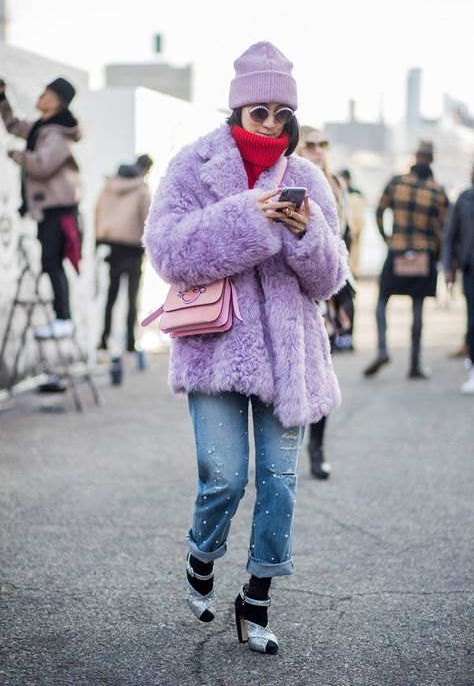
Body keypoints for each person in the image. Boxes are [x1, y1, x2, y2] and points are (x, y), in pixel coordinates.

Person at [143, 41, 347, 654]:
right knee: (225, 478)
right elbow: (168, 253)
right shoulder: (194, 165)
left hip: (290, 355)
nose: (272, 124)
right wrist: (245, 217)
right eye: (259, 112)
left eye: (282, 114)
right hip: (215, 348)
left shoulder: (307, 177)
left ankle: (255, 601)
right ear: (237, 111)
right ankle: (201, 556)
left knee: (280, 483)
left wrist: (305, 232)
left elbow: (331, 277)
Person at [0, 77, 82, 339]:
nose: (40, 97)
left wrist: (16, 155)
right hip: (47, 209)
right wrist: (3, 98)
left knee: (52, 262)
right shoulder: (42, 127)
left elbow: (43, 165)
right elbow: (14, 126)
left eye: (46, 94)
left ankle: (63, 318)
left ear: (57, 102)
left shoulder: (57, 134)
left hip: (59, 211)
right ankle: (62, 318)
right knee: (50, 262)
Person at [364, 141, 449, 379]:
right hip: (424, 253)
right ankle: (414, 365)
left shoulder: (397, 182)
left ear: (415, 157)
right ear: (431, 160)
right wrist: (438, 254)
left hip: (397, 249)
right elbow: (444, 227)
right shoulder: (437, 190)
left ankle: (382, 349)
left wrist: (387, 238)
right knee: (418, 307)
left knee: (382, 301)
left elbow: (380, 213)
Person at [296, 126, 353, 479]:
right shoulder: (291, 184)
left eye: (321, 145)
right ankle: (283, 448)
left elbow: (346, 238)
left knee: (320, 373)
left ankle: (317, 448)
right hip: (297, 290)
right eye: (309, 145)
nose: (317, 150)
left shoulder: (336, 186)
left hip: (330, 292)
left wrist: (345, 290)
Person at [95, 154, 153, 352]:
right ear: (146, 169)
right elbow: (147, 219)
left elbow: (98, 210)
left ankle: (103, 339)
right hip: (134, 249)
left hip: (112, 246)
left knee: (110, 296)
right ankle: (130, 343)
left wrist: (99, 238)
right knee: (131, 298)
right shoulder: (141, 189)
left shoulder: (109, 186)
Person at [443, 164, 474, 394]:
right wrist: (448, 268)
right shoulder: (464, 199)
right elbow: (450, 235)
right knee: (472, 320)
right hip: (470, 268)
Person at [339, 168, 366, 277]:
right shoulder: (353, 195)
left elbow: (358, 223)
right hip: (348, 240)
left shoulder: (354, 196)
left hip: (350, 240)